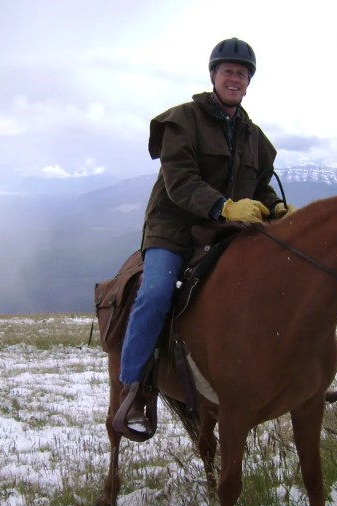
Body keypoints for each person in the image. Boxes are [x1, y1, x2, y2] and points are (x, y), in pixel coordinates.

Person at [114, 38, 290, 442]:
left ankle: (287, 376)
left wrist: (276, 208)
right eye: (227, 71)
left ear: (249, 83)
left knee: (280, 286)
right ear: (213, 76)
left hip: (228, 232)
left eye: (242, 74)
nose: (234, 78)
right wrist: (224, 207)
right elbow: (179, 182)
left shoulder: (256, 138)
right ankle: (134, 387)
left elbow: (261, 187)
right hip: (174, 229)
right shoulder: (182, 121)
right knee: (156, 292)